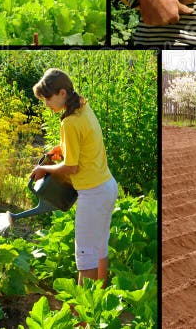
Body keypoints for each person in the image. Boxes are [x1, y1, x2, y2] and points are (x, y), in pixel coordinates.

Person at [31, 69, 118, 285]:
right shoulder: (83, 108)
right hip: (107, 186)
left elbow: (71, 166)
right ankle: (99, 300)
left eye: (48, 99)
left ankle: (82, 315)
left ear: (62, 93)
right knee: (99, 248)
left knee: (85, 255)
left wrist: (45, 170)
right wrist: (62, 147)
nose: (47, 104)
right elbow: (84, 142)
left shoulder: (69, 122)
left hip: (93, 193)